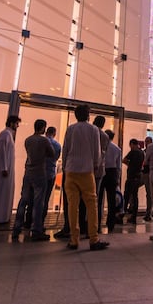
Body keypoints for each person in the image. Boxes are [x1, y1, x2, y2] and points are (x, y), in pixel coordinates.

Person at [61, 104, 109, 251]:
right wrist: (95, 166)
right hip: (87, 171)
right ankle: (93, 239)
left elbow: (66, 149)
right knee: (92, 204)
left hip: (70, 170)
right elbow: (97, 152)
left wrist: (65, 167)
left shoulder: (70, 129)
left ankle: (74, 240)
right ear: (88, 115)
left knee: (72, 206)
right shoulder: (93, 130)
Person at [12, 119, 55, 241]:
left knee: (24, 200)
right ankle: (36, 230)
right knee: (38, 202)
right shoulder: (44, 140)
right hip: (39, 173)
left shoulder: (28, 140)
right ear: (43, 128)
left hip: (28, 172)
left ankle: (17, 227)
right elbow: (51, 154)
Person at [98, 129, 122, 232]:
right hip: (112, 173)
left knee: (98, 198)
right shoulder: (117, 149)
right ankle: (110, 223)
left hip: (102, 172)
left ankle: (97, 222)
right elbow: (118, 166)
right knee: (111, 200)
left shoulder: (101, 147)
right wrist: (117, 178)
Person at [121, 138, 144, 224]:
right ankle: (134, 216)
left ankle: (122, 214)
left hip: (131, 177)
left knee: (126, 196)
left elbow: (124, 160)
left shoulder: (133, 152)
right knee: (135, 197)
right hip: (138, 176)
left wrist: (130, 165)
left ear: (132, 144)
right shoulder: (142, 153)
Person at [42, 126, 61, 223]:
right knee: (46, 197)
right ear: (54, 133)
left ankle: (30, 220)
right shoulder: (57, 145)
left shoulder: (41, 141)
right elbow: (56, 158)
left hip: (39, 172)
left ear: (46, 132)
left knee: (35, 196)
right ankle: (41, 220)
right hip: (50, 172)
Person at [141, 135, 153, 221]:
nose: (146, 144)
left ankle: (148, 213)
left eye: (147, 142)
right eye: (145, 142)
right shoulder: (143, 152)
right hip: (144, 173)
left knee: (149, 194)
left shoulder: (152, 151)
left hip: (149, 173)